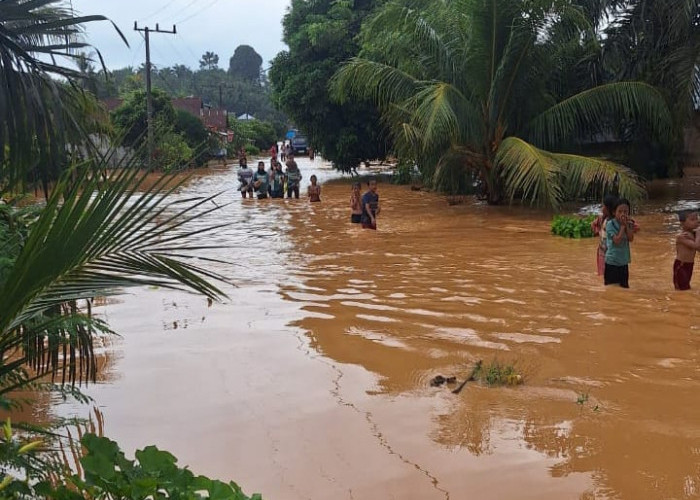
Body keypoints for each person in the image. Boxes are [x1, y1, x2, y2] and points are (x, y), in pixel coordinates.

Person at [604, 198, 635, 288]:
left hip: (623, 262)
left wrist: (627, 226)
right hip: (612, 262)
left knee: (624, 288)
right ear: (614, 212)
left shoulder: (629, 223)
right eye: (620, 211)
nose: (623, 214)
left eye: (625, 211)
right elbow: (617, 240)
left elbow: (630, 238)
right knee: (611, 288)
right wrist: (622, 227)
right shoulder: (610, 224)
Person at [591, 195, 618, 276]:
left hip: (613, 254)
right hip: (602, 252)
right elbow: (593, 225)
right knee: (603, 275)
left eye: (603, 206)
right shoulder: (602, 219)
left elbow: (633, 226)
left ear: (609, 209)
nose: (602, 208)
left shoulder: (617, 221)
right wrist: (597, 231)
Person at [674, 211, 700, 290]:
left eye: (697, 219)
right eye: (692, 219)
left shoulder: (693, 235)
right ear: (682, 223)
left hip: (689, 265)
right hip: (681, 265)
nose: (696, 222)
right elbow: (696, 246)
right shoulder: (682, 236)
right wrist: (699, 234)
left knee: (686, 287)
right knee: (682, 290)